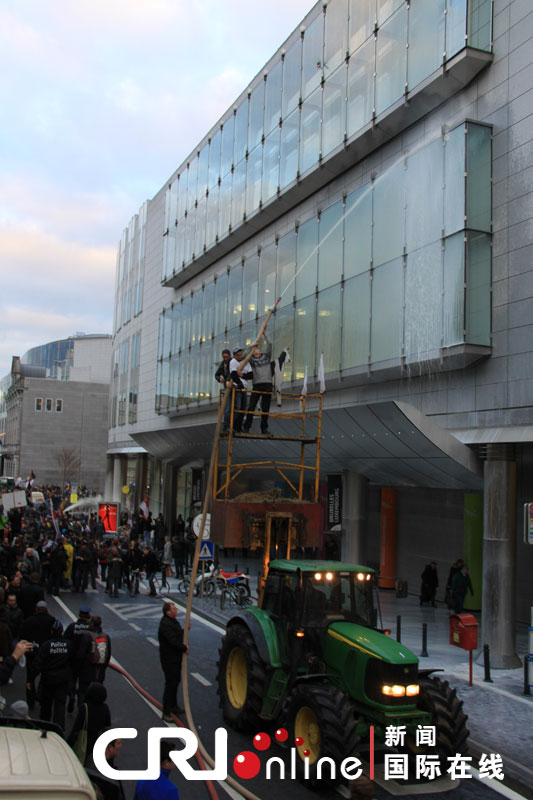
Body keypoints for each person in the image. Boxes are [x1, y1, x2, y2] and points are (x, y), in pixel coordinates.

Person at [33, 619, 72, 731]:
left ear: (51, 632)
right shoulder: (68, 645)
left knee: (46, 705)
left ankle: (43, 727)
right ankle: (58, 730)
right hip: (62, 681)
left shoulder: (47, 645)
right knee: (60, 706)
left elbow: (38, 662)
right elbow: (73, 661)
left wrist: (32, 678)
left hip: (48, 680)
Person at [158, 601, 189, 721]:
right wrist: (184, 648)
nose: (176, 610)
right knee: (170, 684)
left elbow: (176, 635)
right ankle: (166, 712)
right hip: (169, 659)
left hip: (174, 658)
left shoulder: (172, 621)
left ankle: (174, 705)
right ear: (168, 612)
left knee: (175, 682)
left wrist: (184, 631)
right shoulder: (165, 625)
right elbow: (173, 641)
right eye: (174, 609)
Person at [67, 682, 111, 766]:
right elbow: (106, 727)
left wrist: (68, 743)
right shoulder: (105, 709)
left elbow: (76, 729)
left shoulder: (85, 708)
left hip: (82, 739)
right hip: (93, 740)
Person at [242, 334, 274, 435]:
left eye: (257, 349)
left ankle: (264, 429)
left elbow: (270, 344)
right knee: (251, 406)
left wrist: (265, 335)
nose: (256, 351)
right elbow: (244, 356)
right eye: (255, 350)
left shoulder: (266, 356)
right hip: (257, 384)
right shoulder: (252, 360)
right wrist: (251, 346)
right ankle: (247, 427)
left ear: (260, 351)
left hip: (268, 384)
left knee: (265, 408)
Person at [228, 346, 252, 433]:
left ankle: (239, 426)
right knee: (237, 407)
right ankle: (233, 426)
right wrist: (240, 386)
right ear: (234, 355)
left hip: (244, 387)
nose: (239, 357)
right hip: (237, 387)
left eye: (240, 355)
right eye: (238, 355)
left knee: (243, 408)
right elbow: (234, 375)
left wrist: (242, 375)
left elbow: (251, 375)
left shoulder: (246, 362)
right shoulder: (233, 362)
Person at [214, 348, 232, 431]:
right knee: (227, 408)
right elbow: (216, 375)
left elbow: (232, 373)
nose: (225, 359)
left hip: (234, 387)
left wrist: (227, 379)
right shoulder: (222, 365)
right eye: (224, 357)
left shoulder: (232, 363)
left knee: (236, 407)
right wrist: (219, 379)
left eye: (226, 357)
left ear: (229, 356)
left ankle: (232, 425)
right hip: (227, 388)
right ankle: (226, 426)